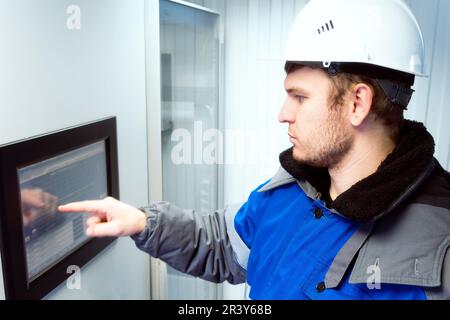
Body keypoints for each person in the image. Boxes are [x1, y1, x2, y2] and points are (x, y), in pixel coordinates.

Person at [59, 0, 450, 300]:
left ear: (356, 104)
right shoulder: (292, 188)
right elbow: (223, 245)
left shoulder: (441, 251)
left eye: (299, 97)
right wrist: (144, 222)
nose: (283, 114)